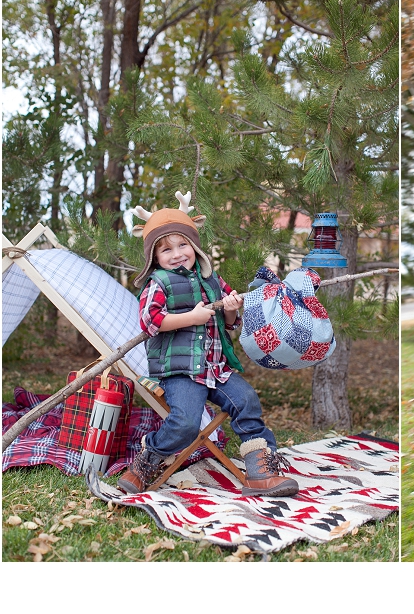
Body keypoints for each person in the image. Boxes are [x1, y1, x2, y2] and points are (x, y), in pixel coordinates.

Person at [117, 193, 298, 498]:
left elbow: (230, 323)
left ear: (194, 245)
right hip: (181, 371)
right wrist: (191, 316)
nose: (176, 254)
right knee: (186, 423)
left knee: (247, 401)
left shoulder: (211, 278)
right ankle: (146, 462)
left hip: (217, 369)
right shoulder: (158, 283)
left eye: (183, 245)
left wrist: (230, 306)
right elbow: (150, 321)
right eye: (166, 249)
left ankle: (259, 472)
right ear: (155, 257)